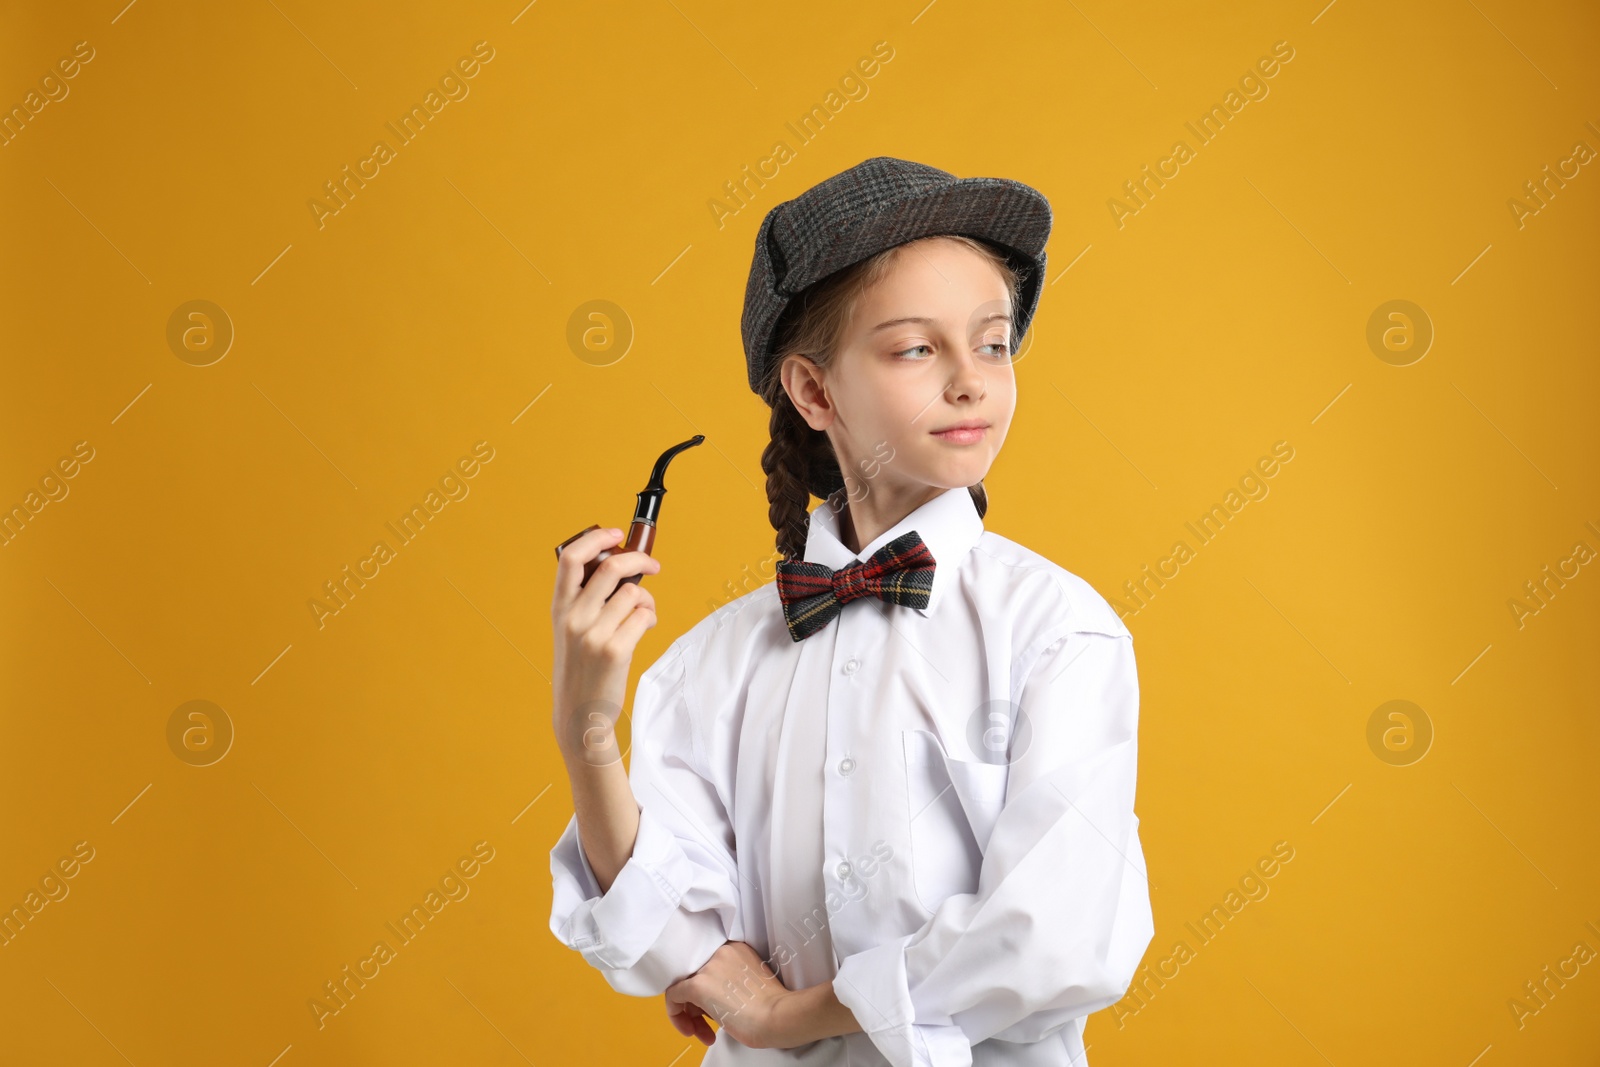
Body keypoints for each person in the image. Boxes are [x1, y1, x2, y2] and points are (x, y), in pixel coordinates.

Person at [549, 156, 1153, 1066]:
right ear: (815, 391)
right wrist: (587, 727)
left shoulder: (1060, 629)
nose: (971, 380)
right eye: (918, 347)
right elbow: (665, 932)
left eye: (992, 343)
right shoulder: (714, 660)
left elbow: (1054, 934)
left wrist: (790, 1014)